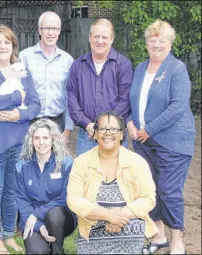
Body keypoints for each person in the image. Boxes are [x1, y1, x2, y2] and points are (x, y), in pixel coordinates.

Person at [127, 20, 196, 255]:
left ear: (170, 43)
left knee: (168, 190)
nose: (156, 44)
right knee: (150, 189)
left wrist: (149, 129)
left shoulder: (176, 68)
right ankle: (158, 236)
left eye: (162, 40)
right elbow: (133, 102)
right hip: (144, 142)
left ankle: (178, 239)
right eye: (152, 40)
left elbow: (178, 106)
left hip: (173, 141)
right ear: (146, 43)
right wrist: (129, 122)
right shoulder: (139, 68)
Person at [0, 24, 41, 254]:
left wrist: (18, 114)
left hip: (18, 143)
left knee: (12, 191)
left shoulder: (22, 70)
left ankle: (10, 235)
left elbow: (34, 104)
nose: (2, 46)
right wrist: (15, 97)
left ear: (13, 45)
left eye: (7, 42)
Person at [67, 111, 158, 254]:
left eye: (114, 129)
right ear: (95, 133)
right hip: (93, 230)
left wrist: (123, 214)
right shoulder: (81, 162)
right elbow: (73, 199)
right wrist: (108, 215)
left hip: (128, 228)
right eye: (102, 128)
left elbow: (148, 198)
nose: (108, 133)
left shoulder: (137, 162)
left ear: (122, 134)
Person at [67, 18, 133, 156]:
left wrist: (105, 127)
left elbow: (125, 100)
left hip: (114, 135)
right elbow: (72, 98)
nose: (100, 41)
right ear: (90, 38)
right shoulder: (78, 65)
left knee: (116, 176)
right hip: (87, 135)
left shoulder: (123, 64)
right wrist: (87, 125)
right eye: (96, 36)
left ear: (112, 39)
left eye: (104, 37)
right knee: (87, 176)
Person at [14, 118, 77, 254]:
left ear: (53, 140)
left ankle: (57, 251)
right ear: (31, 140)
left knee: (53, 214)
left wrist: (37, 214)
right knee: (36, 252)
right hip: (32, 219)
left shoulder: (66, 164)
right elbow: (22, 201)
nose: (41, 142)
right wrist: (38, 225)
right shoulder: (21, 166)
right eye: (37, 138)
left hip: (61, 218)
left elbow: (65, 197)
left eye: (45, 138)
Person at [19, 11, 74, 142]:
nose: (51, 33)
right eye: (46, 28)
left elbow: (70, 97)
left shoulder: (68, 61)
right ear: (39, 30)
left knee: (55, 162)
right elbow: (18, 92)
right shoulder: (24, 57)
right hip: (29, 124)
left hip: (57, 124)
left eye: (54, 28)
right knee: (28, 162)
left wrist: (67, 130)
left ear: (59, 31)